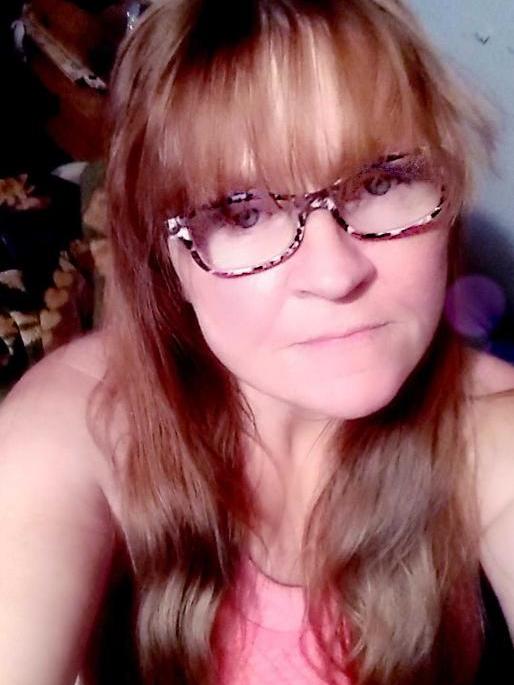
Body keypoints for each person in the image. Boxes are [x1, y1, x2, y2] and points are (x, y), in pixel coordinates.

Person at [1, 1, 514, 684]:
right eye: (244, 212)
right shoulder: (81, 421)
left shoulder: (493, 433)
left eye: (380, 181)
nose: (335, 275)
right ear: (168, 261)